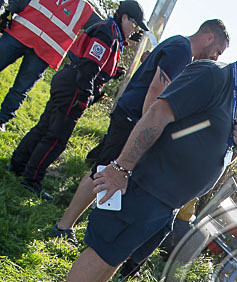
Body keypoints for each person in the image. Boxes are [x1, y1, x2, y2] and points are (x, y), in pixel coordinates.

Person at [43, 46, 237, 282]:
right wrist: (121, 168)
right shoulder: (213, 76)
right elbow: (158, 114)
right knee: (103, 249)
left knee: (117, 254)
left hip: (166, 202)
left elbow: (214, 149)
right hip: (147, 184)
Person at [52, 18, 229, 245]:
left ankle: (72, 223)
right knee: (103, 171)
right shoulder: (181, 50)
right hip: (132, 119)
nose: (215, 58)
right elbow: (156, 91)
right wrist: (148, 130)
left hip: (130, 116)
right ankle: (64, 226)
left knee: (103, 168)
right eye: (217, 51)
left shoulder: (178, 46)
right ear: (209, 37)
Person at [8, 0, 146, 198]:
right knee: (56, 138)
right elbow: (89, 66)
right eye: (134, 24)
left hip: (69, 80)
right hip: (75, 86)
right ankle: (31, 180)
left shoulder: (109, 31)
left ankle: (18, 165)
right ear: (124, 17)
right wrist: (85, 95)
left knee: (45, 126)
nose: (134, 31)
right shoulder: (108, 33)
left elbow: (93, 63)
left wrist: (110, 74)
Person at [0, 0, 99, 132]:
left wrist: (120, 31)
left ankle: (2, 119)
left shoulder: (85, 10)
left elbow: (103, 28)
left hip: (44, 52)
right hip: (19, 33)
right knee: (20, 88)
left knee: (21, 88)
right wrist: (10, 10)